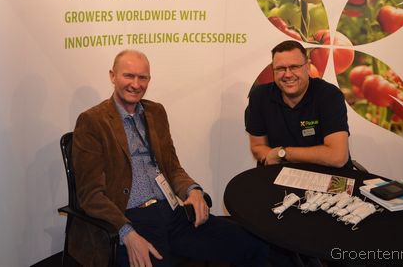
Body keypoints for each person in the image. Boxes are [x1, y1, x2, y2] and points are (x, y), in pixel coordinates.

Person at [72, 49, 268, 267]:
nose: (136, 84)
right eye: (129, 76)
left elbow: (172, 167)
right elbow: (90, 194)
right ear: (112, 76)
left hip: (171, 211)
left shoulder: (155, 112)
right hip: (130, 217)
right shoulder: (92, 121)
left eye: (142, 78)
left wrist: (193, 190)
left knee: (252, 245)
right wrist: (127, 233)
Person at [245, 40, 352, 168]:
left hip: (326, 174)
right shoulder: (260, 96)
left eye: (294, 67)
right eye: (280, 68)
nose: (288, 74)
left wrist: (283, 153)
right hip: (279, 173)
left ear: (308, 67)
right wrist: (272, 156)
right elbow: (257, 146)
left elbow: (337, 157)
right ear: (273, 70)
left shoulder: (329, 95)